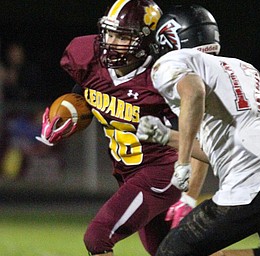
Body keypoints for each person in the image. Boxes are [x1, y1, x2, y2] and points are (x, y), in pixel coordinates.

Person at [35, 1, 211, 255]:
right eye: (109, 32)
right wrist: (69, 112)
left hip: (160, 172)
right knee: (171, 252)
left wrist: (189, 196)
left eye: (122, 36)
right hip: (128, 172)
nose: (111, 41)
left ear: (146, 40)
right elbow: (87, 92)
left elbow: (199, 135)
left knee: (98, 238)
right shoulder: (89, 57)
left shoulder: (161, 75)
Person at [137, 4, 260, 256]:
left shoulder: (172, 61)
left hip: (248, 188)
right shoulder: (243, 68)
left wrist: (182, 163)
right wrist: (166, 136)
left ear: (170, 36)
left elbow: (193, 93)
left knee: (171, 252)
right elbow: (218, 148)